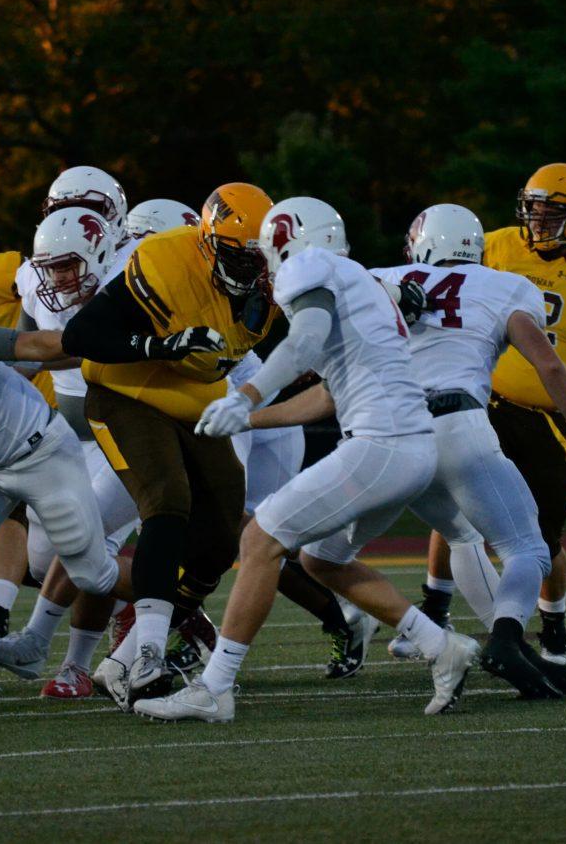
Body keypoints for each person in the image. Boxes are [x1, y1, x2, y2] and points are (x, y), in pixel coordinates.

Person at [133, 197, 479, 723]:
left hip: (382, 444)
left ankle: (215, 688)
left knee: (259, 538)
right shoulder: (360, 283)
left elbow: (303, 343)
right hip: (409, 446)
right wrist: (247, 418)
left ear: (286, 240)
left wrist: (243, 395)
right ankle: (439, 645)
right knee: (321, 560)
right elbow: (326, 398)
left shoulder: (307, 268)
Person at [408, 164, 566, 666]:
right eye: (534, 210)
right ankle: (434, 609)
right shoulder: (493, 246)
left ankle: (553, 626)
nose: (539, 222)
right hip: (482, 403)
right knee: (454, 504)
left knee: (541, 536)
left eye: (553, 213)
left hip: (553, 417)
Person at [371, 203, 566, 697]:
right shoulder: (506, 286)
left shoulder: (383, 276)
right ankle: (506, 638)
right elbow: (551, 367)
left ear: (421, 242)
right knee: (528, 548)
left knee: (460, 535)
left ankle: (512, 650)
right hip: (457, 423)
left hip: (388, 433)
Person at [61, 182, 281, 706]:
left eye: (260, 257)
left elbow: (335, 296)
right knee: (166, 500)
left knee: (223, 539)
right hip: (126, 393)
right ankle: (148, 657)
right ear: (207, 242)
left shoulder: (279, 277)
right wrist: (162, 344)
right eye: (238, 255)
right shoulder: (163, 259)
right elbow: (80, 336)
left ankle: (122, 661)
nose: (251, 270)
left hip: (196, 403)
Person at [0, 248, 133, 716]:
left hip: (41, 452)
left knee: (94, 573)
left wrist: (113, 344)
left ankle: (182, 600)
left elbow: (31, 346)